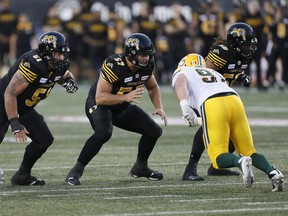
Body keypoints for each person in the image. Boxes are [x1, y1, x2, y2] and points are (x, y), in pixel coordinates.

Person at [172, 53, 284, 192]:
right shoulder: (212, 72)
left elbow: (180, 83)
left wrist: (183, 105)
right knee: (249, 151)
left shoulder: (184, 71)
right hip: (234, 100)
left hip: (213, 103)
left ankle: (240, 162)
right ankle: (273, 172)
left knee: (218, 157)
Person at [65, 33, 167, 186]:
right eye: (142, 54)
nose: (146, 58)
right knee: (103, 132)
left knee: (154, 131)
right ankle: (76, 171)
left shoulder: (147, 67)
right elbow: (100, 97)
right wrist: (126, 97)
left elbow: (152, 87)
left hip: (121, 106)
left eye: (148, 54)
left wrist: (158, 106)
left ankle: (140, 167)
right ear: (131, 53)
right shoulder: (115, 64)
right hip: (100, 104)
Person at [0, 31, 78, 185]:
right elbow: (9, 94)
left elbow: (64, 74)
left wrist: (69, 80)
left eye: (63, 54)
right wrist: (14, 122)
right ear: (46, 52)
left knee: (44, 139)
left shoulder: (59, 64)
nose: (61, 58)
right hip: (2, 103)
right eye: (57, 54)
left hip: (25, 108)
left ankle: (22, 176)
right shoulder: (33, 63)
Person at [182, 22, 257, 181]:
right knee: (206, 129)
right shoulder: (221, 52)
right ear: (235, 43)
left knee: (230, 131)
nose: (248, 48)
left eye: (250, 44)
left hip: (222, 96)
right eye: (245, 44)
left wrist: (240, 77)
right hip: (205, 95)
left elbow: (230, 72)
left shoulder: (243, 56)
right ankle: (190, 168)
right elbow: (205, 76)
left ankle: (216, 167)